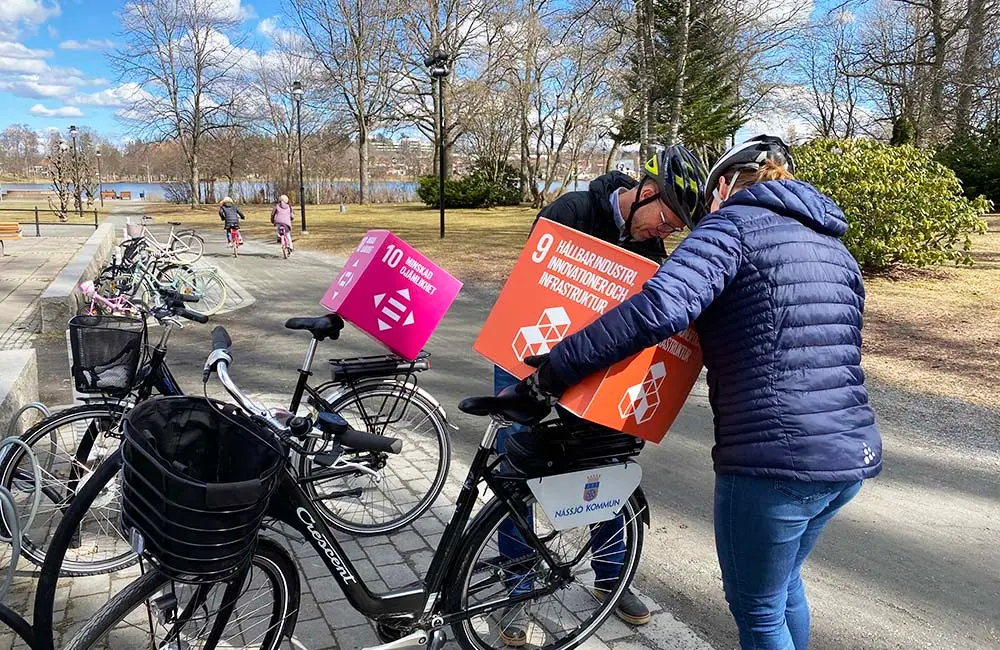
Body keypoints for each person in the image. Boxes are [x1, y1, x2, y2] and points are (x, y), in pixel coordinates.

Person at [513, 135, 883, 650]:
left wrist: (555, 370)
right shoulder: (834, 248)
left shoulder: (730, 227)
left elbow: (657, 310)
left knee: (758, 612)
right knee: (782, 591)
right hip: (850, 454)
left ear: (725, 186)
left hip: (773, 460)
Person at [494, 145, 709, 643]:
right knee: (515, 469)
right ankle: (517, 589)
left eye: (676, 228)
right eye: (667, 218)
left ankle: (610, 579)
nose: (667, 232)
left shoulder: (650, 249)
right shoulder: (573, 210)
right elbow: (535, 285)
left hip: (593, 368)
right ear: (646, 193)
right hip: (529, 356)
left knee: (606, 465)